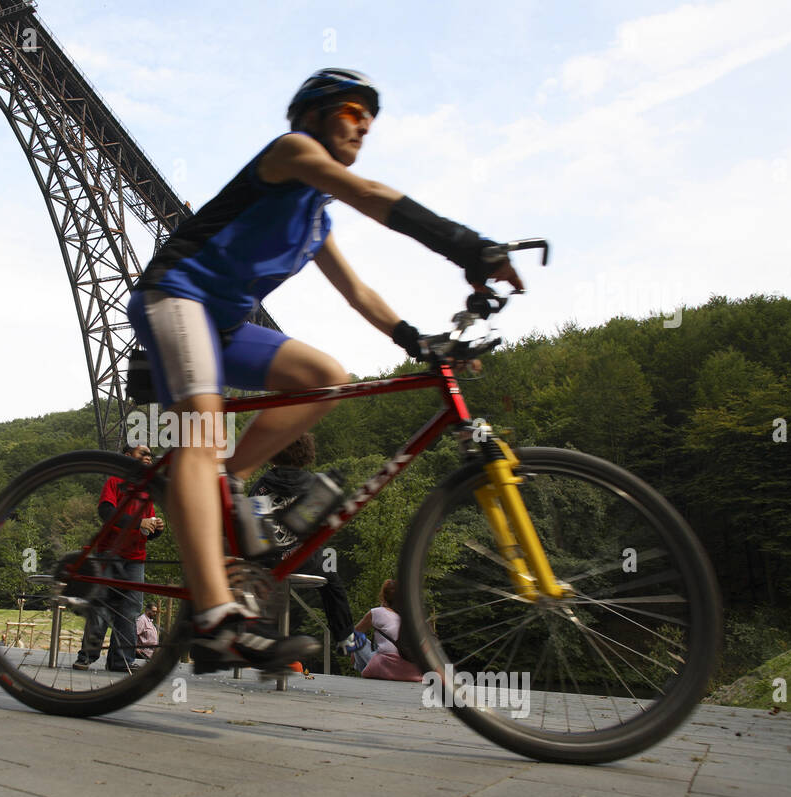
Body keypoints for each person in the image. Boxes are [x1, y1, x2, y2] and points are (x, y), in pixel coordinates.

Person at [127, 68, 523, 674]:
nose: (364, 122)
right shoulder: (291, 153)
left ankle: (229, 479)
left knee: (326, 376)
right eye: (351, 109)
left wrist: (414, 338)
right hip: (175, 297)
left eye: (371, 116)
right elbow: (368, 192)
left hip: (225, 328)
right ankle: (212, 618)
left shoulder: (317, 221)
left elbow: (359, 292)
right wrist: (468, 245)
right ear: (312, 115)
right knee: (201, 431)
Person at [248, 433, 354, 654]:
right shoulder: (315, 484)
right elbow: (324, 526)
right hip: (303, 559)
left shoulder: (261, 486)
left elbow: (253, 526)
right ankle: (344, 636)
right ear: (306, 454)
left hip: (267, 559)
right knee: (331, 575)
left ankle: (251, 635)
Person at [73, 445, 165, 672]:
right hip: (110, 554)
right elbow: (106, 512)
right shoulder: (115, 481)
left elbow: (146, 530)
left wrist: (157, 528)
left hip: (136, 557)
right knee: (102, 606)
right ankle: (87, 655)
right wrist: (139, 522)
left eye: (150, 455)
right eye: (142, 453)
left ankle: (121, 660)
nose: (147, 457)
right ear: (127, 457)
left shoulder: (146, 490)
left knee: (130, 611)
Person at [342, 578, 423, 681]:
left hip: (387, 666)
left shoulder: (376, 612)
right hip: (412, 670)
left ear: (383, 597)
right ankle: (367, 671)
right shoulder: (411, 616)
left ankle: (364, 672)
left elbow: (353, 635)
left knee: (358, 639)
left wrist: (353, 654)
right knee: (379, 642)